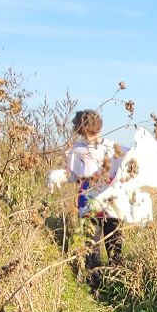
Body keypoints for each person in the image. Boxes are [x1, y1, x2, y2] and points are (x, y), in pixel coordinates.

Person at [64, 109, 121, 286]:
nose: (88, 135)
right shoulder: (77, 150)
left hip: (111, 205)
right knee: (91, 246)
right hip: (88, 205)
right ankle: (95, 286)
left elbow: (128, 168)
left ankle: (117, 284)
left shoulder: (112, 147)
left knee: (114, 245)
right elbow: (72, 176)